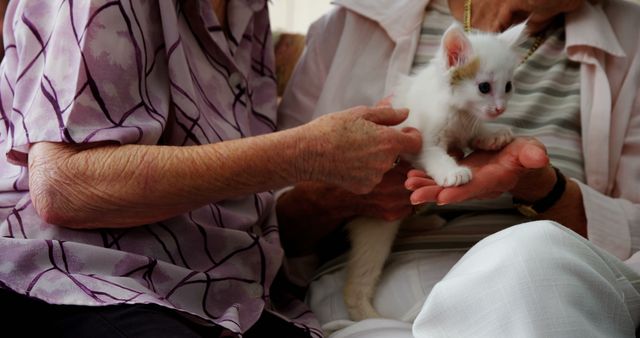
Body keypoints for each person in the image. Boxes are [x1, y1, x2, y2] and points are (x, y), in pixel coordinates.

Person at [0, 1, 423, 337]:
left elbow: (238, 204)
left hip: (222, 291)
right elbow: (62, 186)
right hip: (80, 276)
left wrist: (335, 195)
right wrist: (306, 152)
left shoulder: (248, 10)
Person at [277, 0, 640, 336]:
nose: (500, 105)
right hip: (390, 283)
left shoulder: (631, 34)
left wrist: (544, 188)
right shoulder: (355, 17)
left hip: (535, 281)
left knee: (531, 260)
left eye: (509, 89)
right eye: (486, 90)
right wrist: (347, 190)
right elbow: (266, 218)